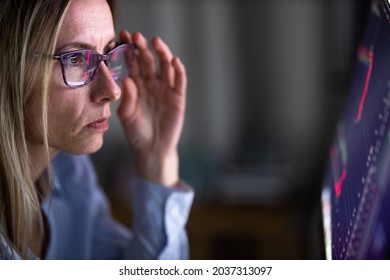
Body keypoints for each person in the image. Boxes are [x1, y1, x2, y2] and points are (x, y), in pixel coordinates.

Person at [0, 0, 194, 259]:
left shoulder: (70, 174)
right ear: (9, 66)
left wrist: (157, 156)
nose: (113, 91)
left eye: (109, 53)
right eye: (76, 58)